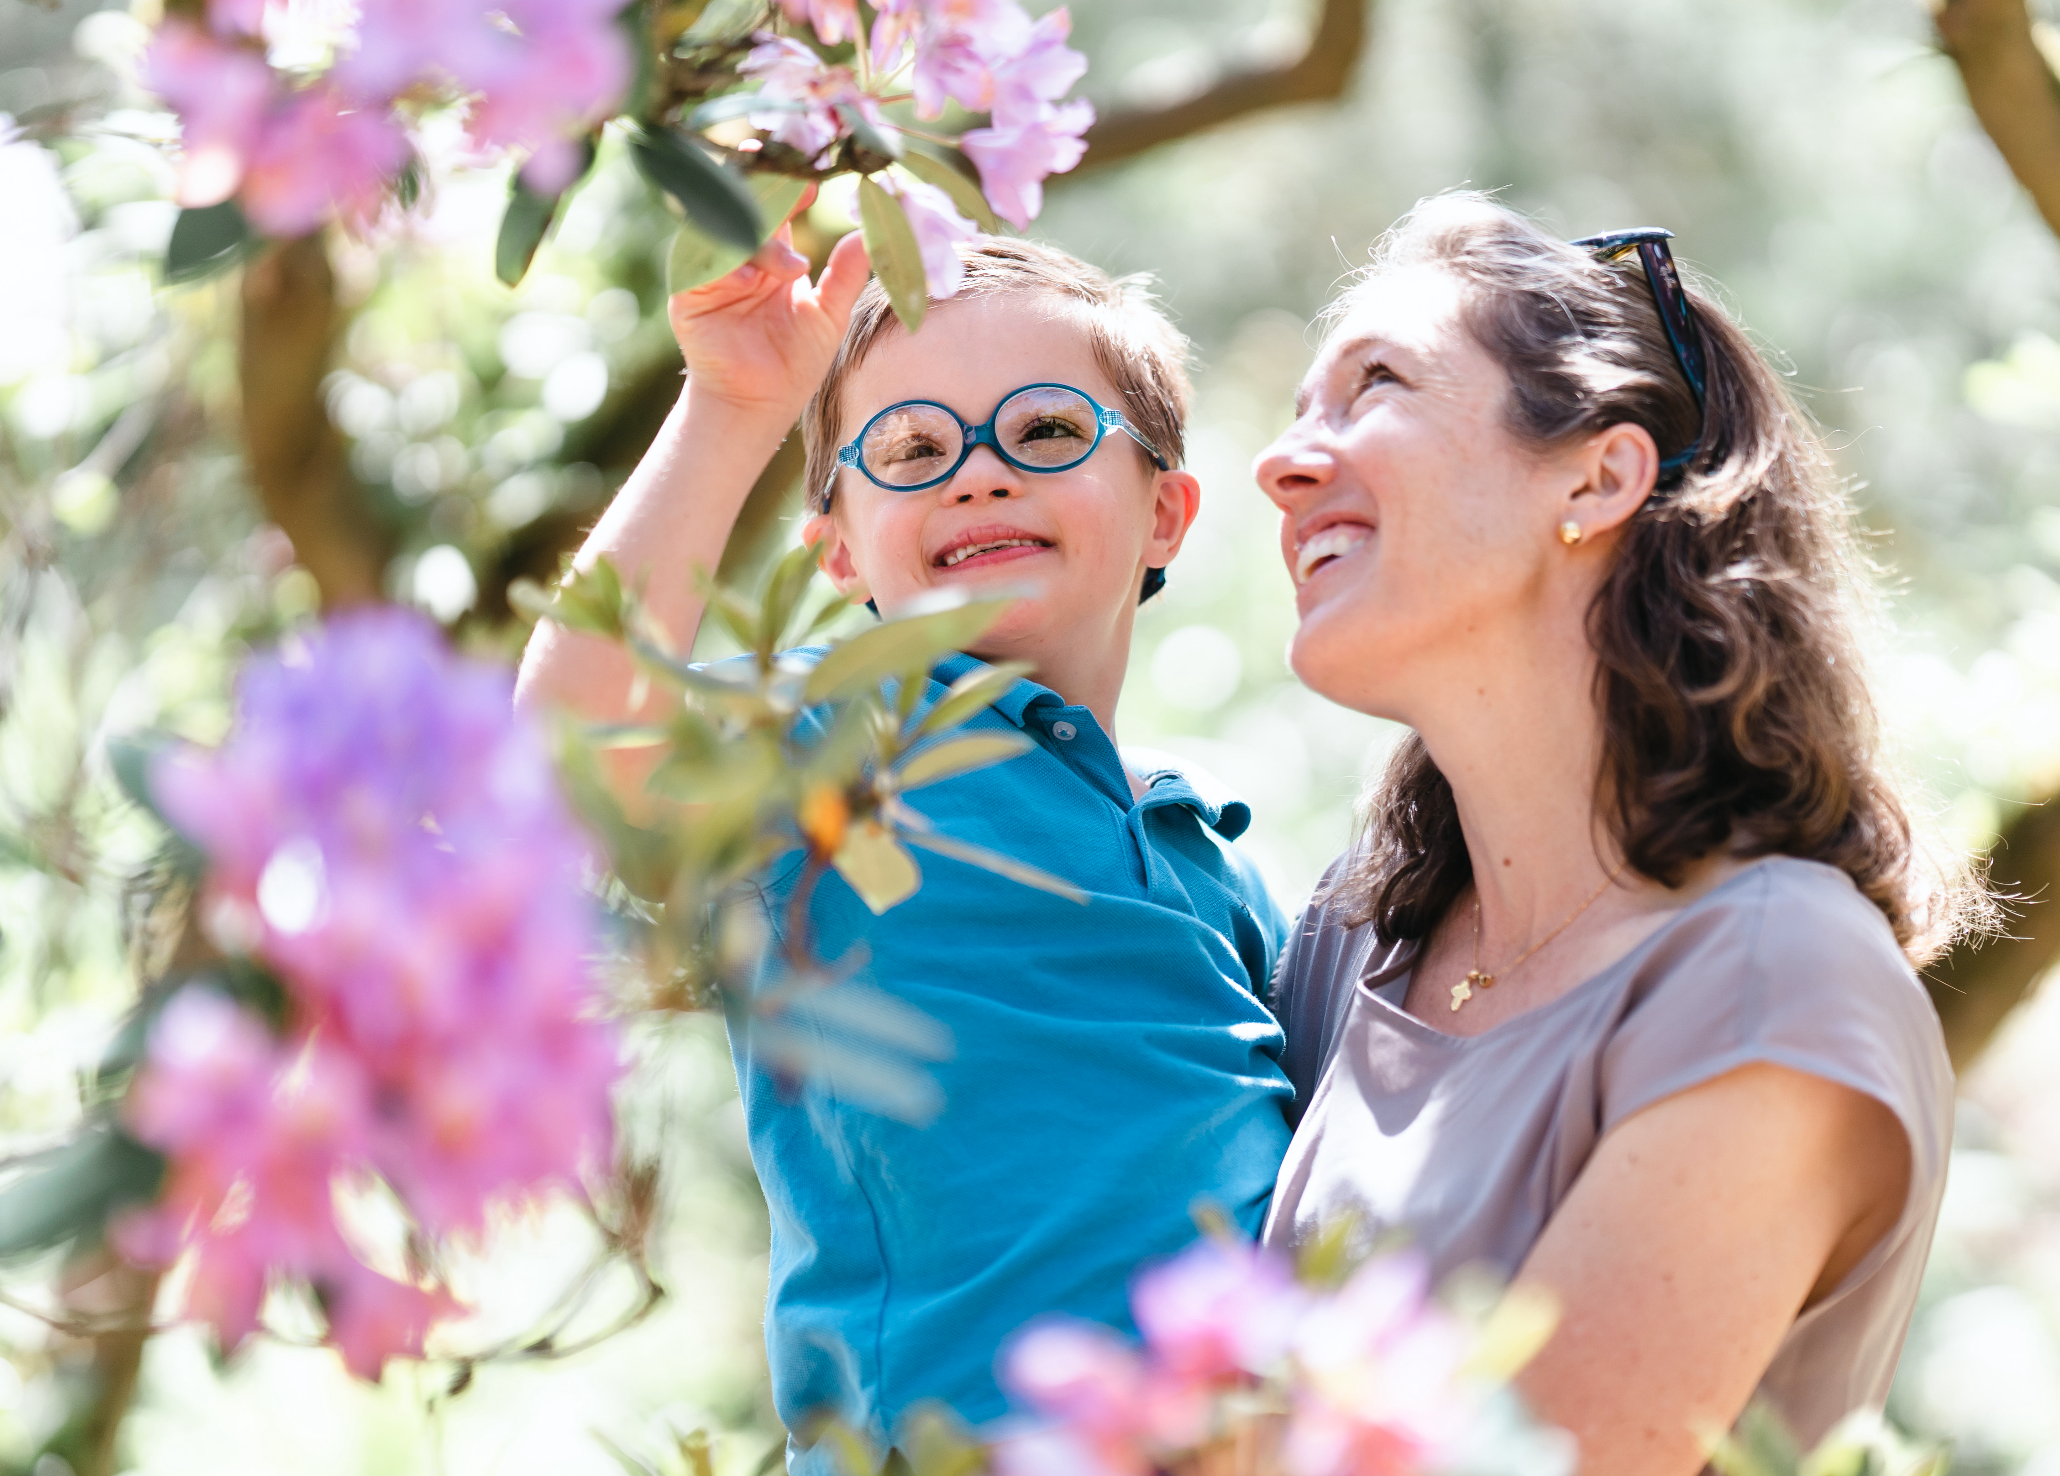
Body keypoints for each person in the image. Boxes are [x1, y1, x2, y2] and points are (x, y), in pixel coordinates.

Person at [514, 228, 1292, 1455]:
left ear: (1166, 512)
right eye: (915, 449)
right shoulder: (830, 738)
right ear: (839, 551)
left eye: (1044, 432)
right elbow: (571, 742)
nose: (978, 475)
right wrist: (733, 405)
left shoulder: (1215, 853)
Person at [1252, 194, 1981, 1472]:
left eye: (1375, 384)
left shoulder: (1772, 982)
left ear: (1597, 473)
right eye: (1302, 406)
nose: (1284, 460)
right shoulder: (1351, 936)